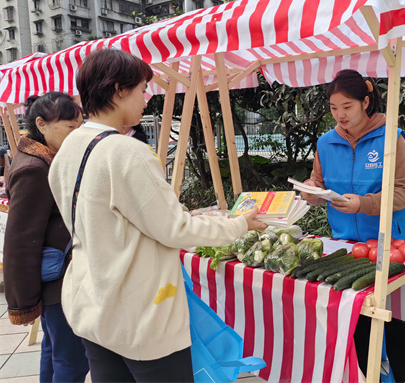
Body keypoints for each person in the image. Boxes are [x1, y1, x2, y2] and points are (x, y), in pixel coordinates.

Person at [48, 48, 267, 382]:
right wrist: (238, 224)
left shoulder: (69, 148)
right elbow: (175, 229)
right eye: (141, 90)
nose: (146, 99)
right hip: (139, 316)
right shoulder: (124, 151)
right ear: (119, 90)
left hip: (93, 304)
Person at [302, 69, 405, 382]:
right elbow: (318, 181)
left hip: (391, 250)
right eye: (333, 108)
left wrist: (363, 204)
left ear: (366, 102)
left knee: (401, 330)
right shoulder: (326, 143)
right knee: (358, 330)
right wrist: (311, 191)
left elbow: (403, 190)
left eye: (347, 107)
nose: (340, 115)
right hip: (346, 250)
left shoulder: (391, 136)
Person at [3, 93, 88, 383]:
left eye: (80, 126)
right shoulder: (33, 168)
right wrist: (22, 302)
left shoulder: (45, 159)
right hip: (57, 283)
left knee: (56, 352)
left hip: (58, 279)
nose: (76, 134)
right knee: (73, 360)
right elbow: (20, 240)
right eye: (69, 127)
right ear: (41, 124)